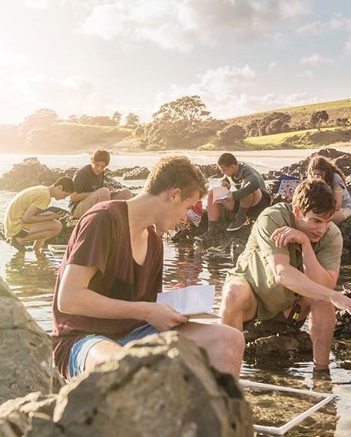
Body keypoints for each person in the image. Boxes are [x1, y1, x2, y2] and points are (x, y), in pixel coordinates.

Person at [51, 155, 245, 381]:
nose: (185, 219)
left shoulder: (154, 242)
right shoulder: (104, 219)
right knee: (123, 365)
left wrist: (177, 310)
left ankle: (219, 414)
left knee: (230, 340)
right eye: (188, 207)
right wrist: (146, 310)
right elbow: (69, 299)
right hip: (85, 338)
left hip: (137, 333)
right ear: (174, 195)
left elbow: (150, 307)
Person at [219, 178, 351, 371]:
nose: (322, 228)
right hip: (255, 298)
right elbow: (281, 273)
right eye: (316, 221)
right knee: (232, 293)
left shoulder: (332, 234)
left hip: (292, 307)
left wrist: (305, 245)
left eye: (327, 221)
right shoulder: (272, 218)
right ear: (297, 212)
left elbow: (325, 286)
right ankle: (228, 375)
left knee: (323, 300)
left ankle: (321, 373)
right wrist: (336, 296)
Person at [198, 152, 271, 241]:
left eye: (224, 170)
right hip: (243, 203)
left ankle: (241, 217)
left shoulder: (246, 170)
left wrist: (234, 195)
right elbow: (225, 179)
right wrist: (224, 183)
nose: (222, 172)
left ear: (232, 166)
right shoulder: (231, 172)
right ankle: (211, 231)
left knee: (246, 185)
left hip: (259, 204)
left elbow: (255, 183)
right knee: (213, 193)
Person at [4, 176, 74, 252]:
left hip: (11, 223)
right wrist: (51, 216)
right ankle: (19, 240)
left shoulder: (43, 189)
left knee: (52, 221)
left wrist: (50, 216)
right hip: (15, 226)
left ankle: (36, 249)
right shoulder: (45, 196)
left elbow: (30, 214)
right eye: (65, 195)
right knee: (57, 226)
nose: (64, 198)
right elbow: (26, 218)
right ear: (59, 187)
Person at [69, 148, 133, 219]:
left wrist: (109, 192)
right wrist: (94, 193)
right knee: (104, 191)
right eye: (97, 165)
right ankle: (102, 222)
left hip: (95, 203)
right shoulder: (82, 173)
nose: (99, 169)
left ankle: (124, 221)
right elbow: (73, 197)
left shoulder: (101, 173)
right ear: (91, 161)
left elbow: (99, 192)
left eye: (102, 167)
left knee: (126, 193)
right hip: (77, 209)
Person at [307, 155, 351, 225]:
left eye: (319, 174)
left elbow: (338, 205)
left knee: (323, 221)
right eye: (314, 174)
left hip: (343, 208)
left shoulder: (335, 178)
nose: (316, 177)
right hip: (323, 208)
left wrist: (321, 211)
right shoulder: (313, 180)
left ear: (325, 171)